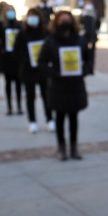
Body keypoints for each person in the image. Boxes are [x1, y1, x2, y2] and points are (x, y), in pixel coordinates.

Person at [38, 10, 92, 161]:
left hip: (75, 84)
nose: (65, 22)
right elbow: (42, 62)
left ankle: (74, 147)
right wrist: (53, 73)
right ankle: (61, 147)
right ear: (56, 22)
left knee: (74, 117)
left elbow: (89, 59)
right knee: (60, 117)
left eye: (67, 19)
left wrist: (84, 71)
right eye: (62, 20)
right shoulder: (51, 41)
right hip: (58, 85)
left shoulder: (79, 40)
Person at [13, 6, 53, 134]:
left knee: (46, 95)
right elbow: (16, 50)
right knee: (30, 96)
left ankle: (49, 119)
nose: (32, 19)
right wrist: (26, 59)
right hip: (28, 70)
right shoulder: (23, 33)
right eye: (30, 16)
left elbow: (50, 49)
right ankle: (32, 121)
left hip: (42, 70)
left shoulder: (45, 32)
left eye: (34, 16)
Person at [0, 2, 23, 115]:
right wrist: (1, 48)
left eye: (12, 10)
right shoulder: (1, 25)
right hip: (6, 58)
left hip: (17, 59)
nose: (10, 13)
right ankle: (9, 106)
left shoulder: (19, 24)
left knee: (19, 83)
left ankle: (19, 106)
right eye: (8, 11)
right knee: (8, 83)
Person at [80, 0, 101, 74]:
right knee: (85, 53)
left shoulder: (95, 13)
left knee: (92, 54)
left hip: (93, 36)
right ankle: (86, 68)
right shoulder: (83, 13)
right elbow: (80, 23)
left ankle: (91, 69)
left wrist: (97, 31)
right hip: (85, 36)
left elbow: (98, 22)